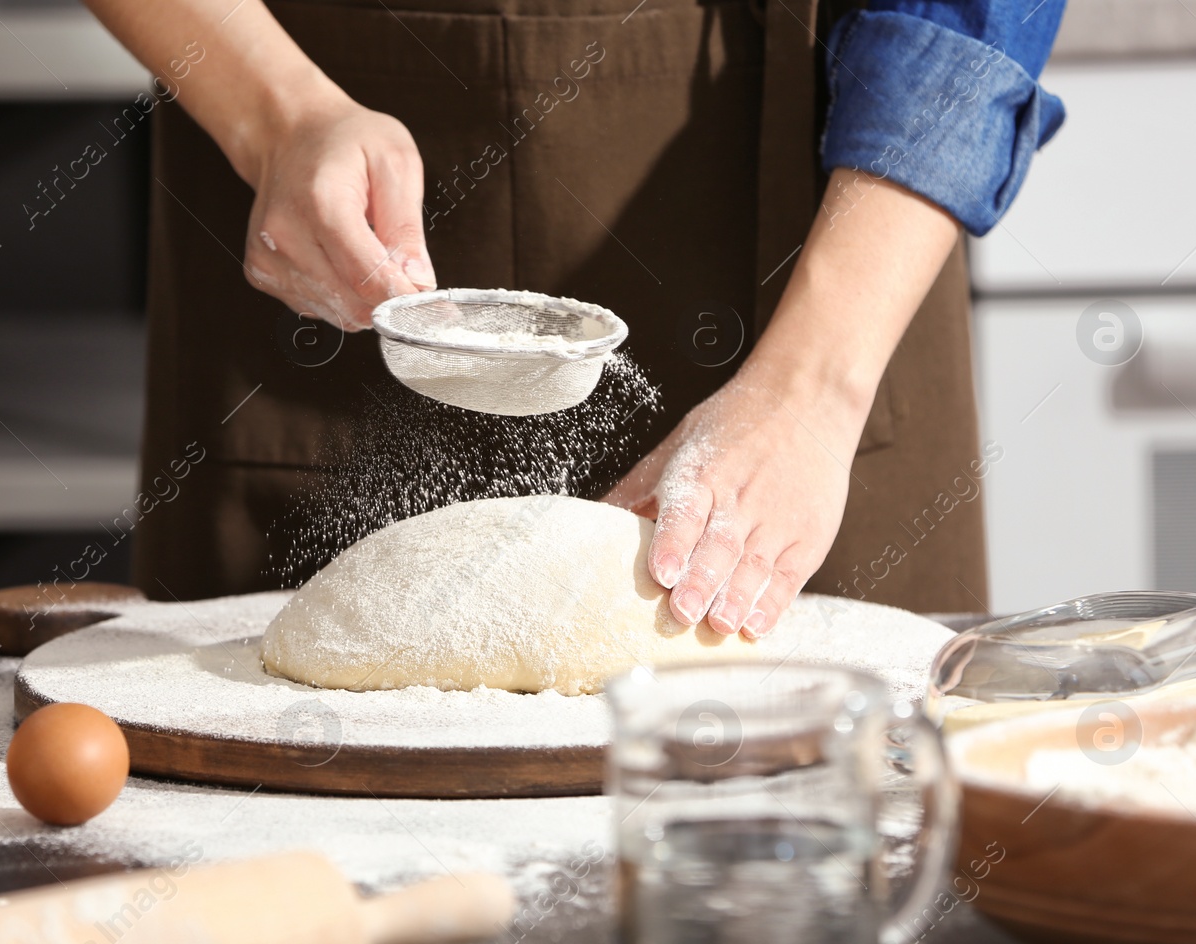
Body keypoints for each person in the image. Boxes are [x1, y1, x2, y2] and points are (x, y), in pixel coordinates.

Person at [83, 0, 1065, 633]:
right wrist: (275, 111)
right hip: (324, 157)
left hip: (839, 240)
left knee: (834, 882)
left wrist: (812, 388)